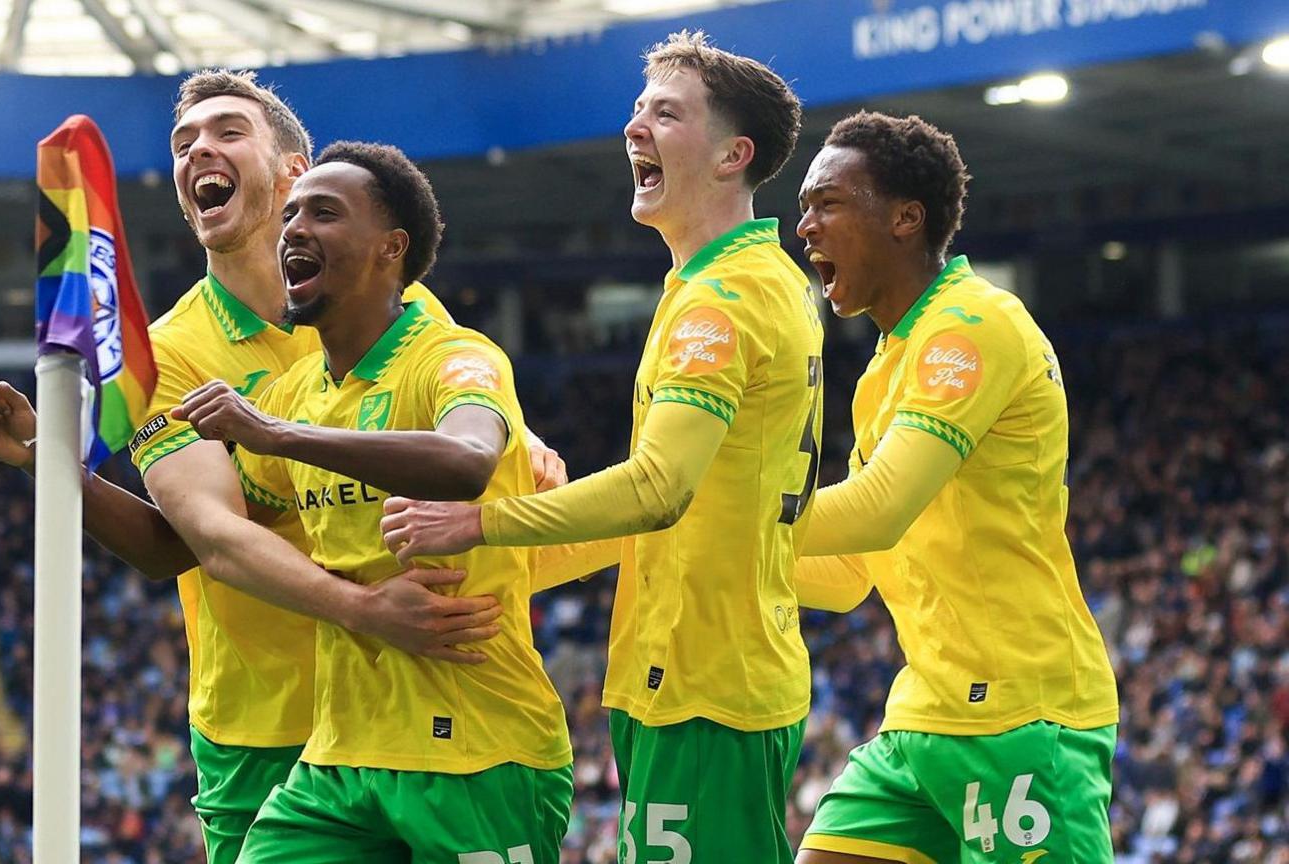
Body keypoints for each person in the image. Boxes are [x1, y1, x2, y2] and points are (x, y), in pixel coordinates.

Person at [0, 69, 564, 864]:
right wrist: (363, 606)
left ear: (294, 169)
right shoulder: (170, 355)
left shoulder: (403, 312)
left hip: (428, 702)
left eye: (226, 133)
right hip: (265, 723)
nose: (198, 151)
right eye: (183, 145)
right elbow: (194, 537)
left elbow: (461, 455)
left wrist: (523, 459)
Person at [379, 30, 821, 863]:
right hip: (708, 671)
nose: (635, 127)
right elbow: (668, 512)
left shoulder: (719, 301)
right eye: (636, 109)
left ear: (734, 155)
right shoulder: (744, 282)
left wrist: (475, 527)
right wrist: (512, 569)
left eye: (666, 113)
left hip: (704, 682)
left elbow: (657, 490)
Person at [175, 142, 607, 863]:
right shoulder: (297, 394)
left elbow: (468, 461)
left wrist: (275, 434)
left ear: (390, 248)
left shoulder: (452, 357)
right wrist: (50, 465)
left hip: (478, 753)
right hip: (339, 765)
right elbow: (189, 537)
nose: (293, 231)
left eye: (324, 213)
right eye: (290, 216)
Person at [788, 111, 1119, 863]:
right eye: (805, 206)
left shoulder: (973, 326)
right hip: (925, 716)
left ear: (906, 218)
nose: (804, 226)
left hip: (1021, 713)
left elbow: (877, 510)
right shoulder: (883, 366)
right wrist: (677, 538)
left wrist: (721, 511)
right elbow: (845, 576)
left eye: (828, 202)